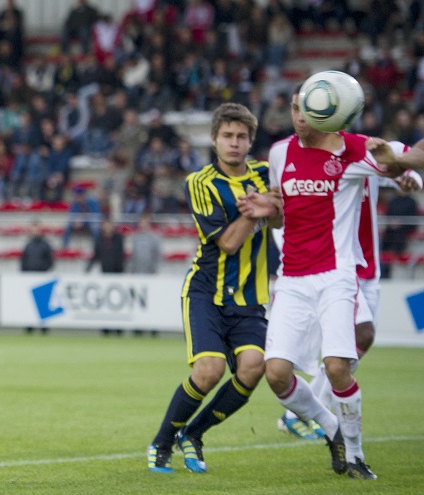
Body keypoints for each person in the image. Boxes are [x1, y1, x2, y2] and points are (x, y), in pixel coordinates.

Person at [242, 89, 412, 480]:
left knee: (337, 366)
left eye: (308, 108)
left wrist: (405, 168)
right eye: (295, 108)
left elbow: (398, 160)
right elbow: (280, 213)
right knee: (276, 373)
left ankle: (355, 455)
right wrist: (268, 209)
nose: (300, 115)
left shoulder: (350, 149)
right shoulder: (279, 153)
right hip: (292, 279)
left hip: (337, 276)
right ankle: (331, 428)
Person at [148, 103, 282, 474]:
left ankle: (193, 434)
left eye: (241, 137)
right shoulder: (200, 182)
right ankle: (162, 442)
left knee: (254, 367)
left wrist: (269, 207)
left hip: (250, 296)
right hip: (206, 291)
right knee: (209, 370)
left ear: (251, 140)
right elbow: (227, 243)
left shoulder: (266, 173)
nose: (234, 143)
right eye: (227, 136)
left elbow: (282, 217)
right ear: (213, 139)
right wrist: (253, 211)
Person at [276, 170, 422, 440]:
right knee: (359, 337)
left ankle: (299, 415)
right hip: (339, 268)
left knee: (350, 354)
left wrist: (411, 176)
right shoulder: (320, 169)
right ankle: (312, 420)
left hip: (369, 273)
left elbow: (399, 164)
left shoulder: (362, 159)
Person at [20, 221, 54, 335]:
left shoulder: (45, 244)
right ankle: (29, 327)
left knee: (42, 303)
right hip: (28, 277)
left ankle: (44, 328)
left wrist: (42, 270)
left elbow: (50, 261)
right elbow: (23, 261)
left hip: (41, 277)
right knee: (29, 303)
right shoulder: (28, 244)